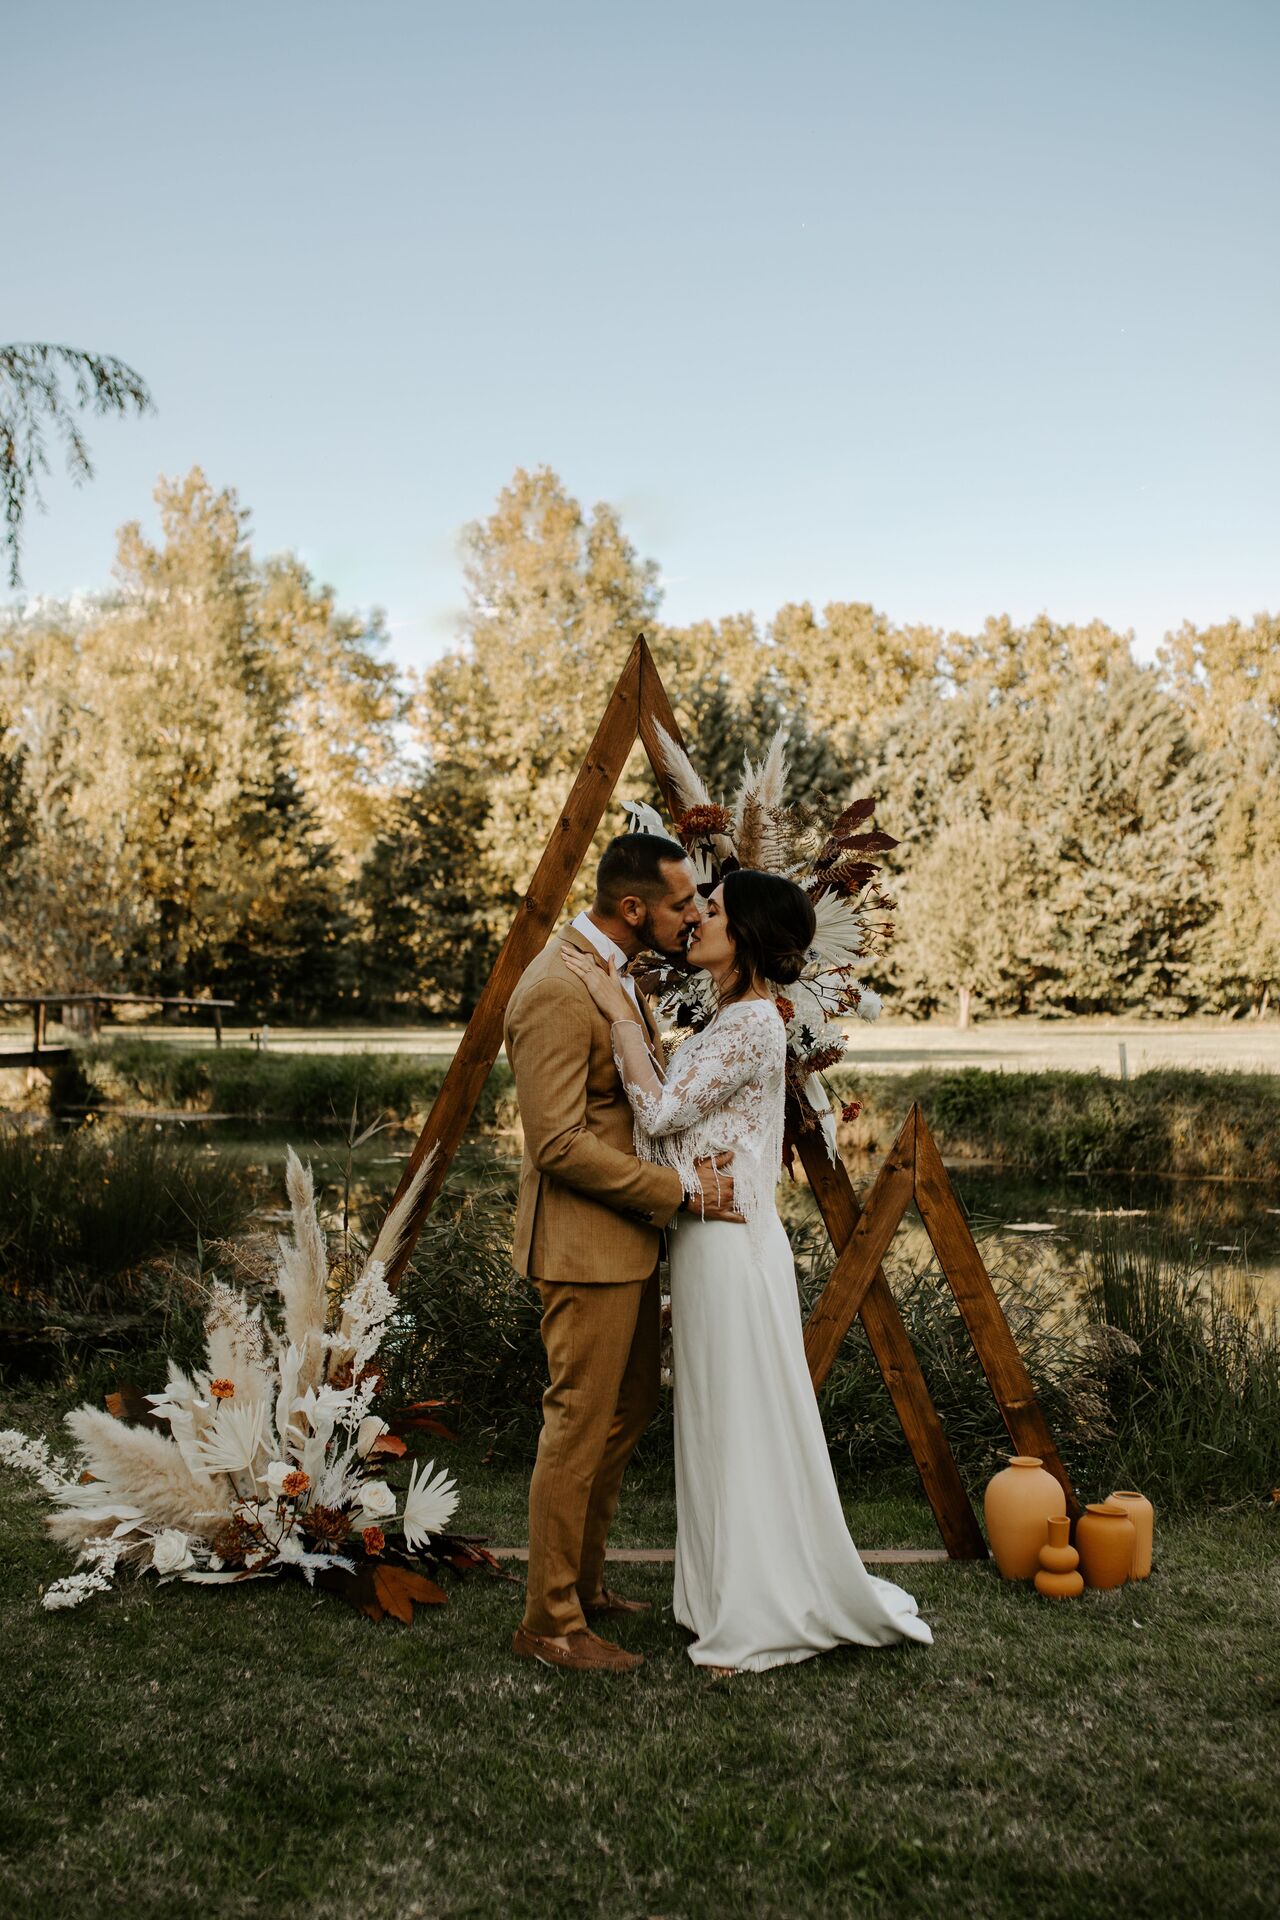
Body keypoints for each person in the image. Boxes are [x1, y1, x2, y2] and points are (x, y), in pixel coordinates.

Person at [563, 866, 933, 1675]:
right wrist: (684, 1174)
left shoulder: (753, 1024)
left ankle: (755, 1612)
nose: (698, 917)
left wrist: (617, 1012)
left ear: (748, 936)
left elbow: (659, 1112)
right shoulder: (727, 1019)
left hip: (731, 1248)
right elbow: (667, 1136)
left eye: (716, 910)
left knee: (737, 1421)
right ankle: (718, 1596)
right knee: (712, 1418)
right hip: (707, 1236)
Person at [506, 832, 740, 1674]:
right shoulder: (555, 988)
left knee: (625, 1410)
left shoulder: (614, 973)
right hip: (583, 1248)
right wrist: (678, 1190)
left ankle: (586, 1583)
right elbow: (557, 1143)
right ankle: (550, 1622)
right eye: (682, 903)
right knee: (577, 1426)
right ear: (634, 908)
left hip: (627, 1243)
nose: (694, 915)